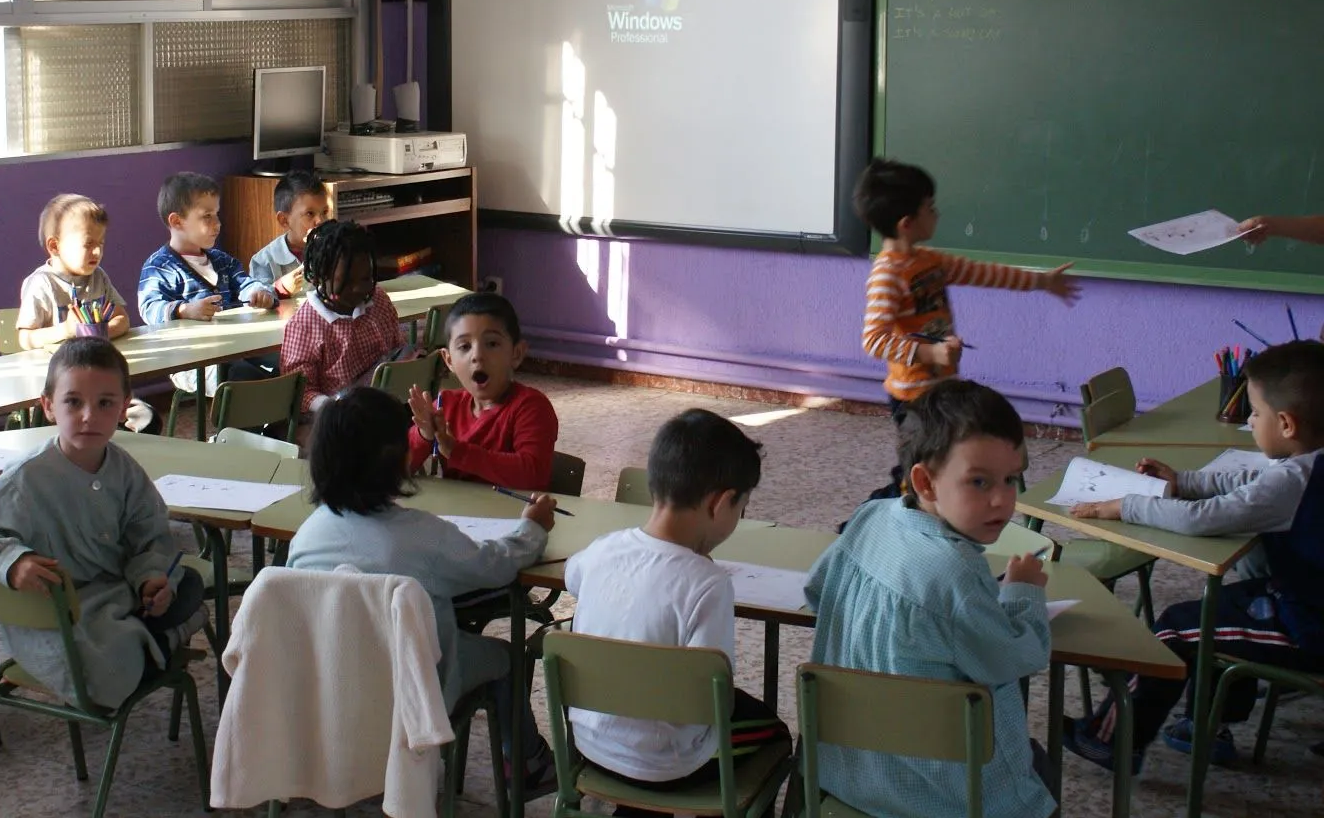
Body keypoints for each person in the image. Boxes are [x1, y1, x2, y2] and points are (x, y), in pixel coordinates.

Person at [1063, 339, 1324, 771]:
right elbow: (1253, 481)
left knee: (1175, 631)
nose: (1251, 422)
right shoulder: (1307, 464)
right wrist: (1182, 481)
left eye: (1254, 414)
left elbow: (1204, 519)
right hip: (1301, 597)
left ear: (1286, 424)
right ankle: (1208, 723)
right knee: (1213, 611)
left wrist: (1125, 505)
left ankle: (1111, 741)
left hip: (1309, 628)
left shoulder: (1298, 480)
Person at [285, 386, 558, 789]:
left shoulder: (306, 536)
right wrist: (532, 528)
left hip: (328, 685)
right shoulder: (423, 536)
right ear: (399, 460)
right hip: (412, 691)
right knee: (509, 658)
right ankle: (528, 764)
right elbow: (496, 566)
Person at [806, 380, 1054, 818]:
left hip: (850, 777)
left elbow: (817, 590)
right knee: (1041, 771)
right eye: (979, 482)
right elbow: (1014, 660)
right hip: (947, 800)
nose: (1002, 499)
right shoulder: (957, 572)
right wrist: (1023, 592)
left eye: (1011, 479)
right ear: (924, 480)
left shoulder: (868, 518)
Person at [0, 338, 207, 708]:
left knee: (180, 584)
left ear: (124, 407)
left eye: (105, 403)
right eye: (73, 402)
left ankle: (153, 633)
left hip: (111, 599)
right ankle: (163, 639)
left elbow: (149, 534)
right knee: (108, 669)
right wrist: (11, 562)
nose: (89, 416)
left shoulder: (125, 471)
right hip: (51, 618)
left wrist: (150, 577)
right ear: (48, 406)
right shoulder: (28, 476)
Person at [564, 410, 786, 812]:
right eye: (742, 508)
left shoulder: (601, 550)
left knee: (655, 708)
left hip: (591, 745)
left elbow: (572, 576)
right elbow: (709, 698)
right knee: (773, 732)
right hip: (668, 766)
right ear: (720, 504)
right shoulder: (709, 584)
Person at [854, 158, 1079, 499]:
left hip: (943, 388)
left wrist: (1042, 281)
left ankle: (930, 515)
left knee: (937, 465)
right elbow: (874, 339)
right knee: (915, 475)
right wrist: (929, 351)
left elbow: (986, 273)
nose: (937, 213)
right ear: (906, 223)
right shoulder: (887, 274)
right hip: (912, 397)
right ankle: (869, 519)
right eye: (930, 207)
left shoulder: (930, 262)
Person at [15, 193, 156, 432]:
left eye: (101, 244)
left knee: (147, 420)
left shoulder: (98, 277)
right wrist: (67, 330)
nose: (97, 252)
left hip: (99, 380)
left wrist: (100, 335)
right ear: (54, 246)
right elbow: (25, 337)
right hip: (61, 389)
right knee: (96, 426)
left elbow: (122, 318)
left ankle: (116, 464)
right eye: (88, 244)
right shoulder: (41, 284)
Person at [138, 171, 273, 400]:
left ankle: (270, 428)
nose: (217, 224)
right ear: (177, 221)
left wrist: (260, 292)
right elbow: (149, 308)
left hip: (236, 348)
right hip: (190, 361)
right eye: (207, 216)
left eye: (217, 215)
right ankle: (233, 435)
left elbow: (246, 282)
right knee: (242, 378)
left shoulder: (222, 261)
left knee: (287, 361)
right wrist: (183, 310)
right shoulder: (160, 267)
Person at [406, 292, 558, 490]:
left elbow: (533, 476)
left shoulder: (531, 406)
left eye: (492, 344)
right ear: (449, 359)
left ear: (516, 353)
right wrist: (424, 434)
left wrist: (456, 451)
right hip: (459, 518)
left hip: (513, 517)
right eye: (464, 346)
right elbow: (396, 470)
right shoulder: (445, 405)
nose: (477, 355)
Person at [279, 219, 405, 418]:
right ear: (319, 277)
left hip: (383, 409)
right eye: (346, 282)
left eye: (366, 278)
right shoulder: (304, 326)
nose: (358, 289)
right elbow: (300, 391)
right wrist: (334, 407)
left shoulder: (378, 301)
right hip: (335, 420)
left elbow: (397, 349)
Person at [248, 170, 329, 303]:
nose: (320, 220)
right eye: (310, 213)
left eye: (324, 212)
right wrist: (282, 288)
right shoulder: (263, 261)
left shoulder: (335, 250)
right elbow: (259, 301)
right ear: (284, 220)